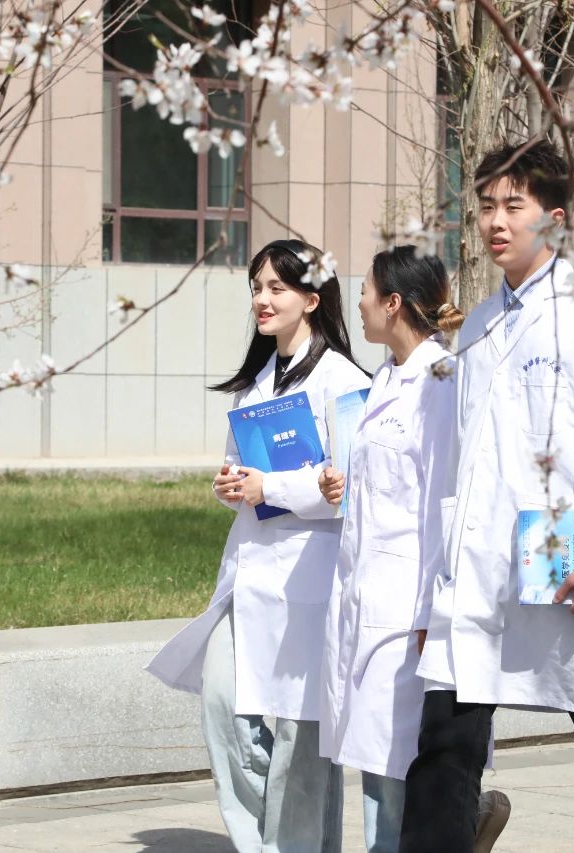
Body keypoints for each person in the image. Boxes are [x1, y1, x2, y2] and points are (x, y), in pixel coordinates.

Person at [402, 141, 574, 852]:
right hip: (479, 573)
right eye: (486, 206)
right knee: (443, 748)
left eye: (514, 206)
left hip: (567, 565)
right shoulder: (479, 325)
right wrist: (437, 590)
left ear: (555, 218)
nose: (496, 221)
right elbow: (462, 465)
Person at [145, 239, 370, 853]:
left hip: (311, 577)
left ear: (312, 300)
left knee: (301, 737)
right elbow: (238, 469)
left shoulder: (346, 382)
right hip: (249, 576)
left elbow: (354, 488)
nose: (261, 300)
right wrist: (230, 485)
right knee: (223, 707)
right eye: (256, 287)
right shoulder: (256, 382)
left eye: (276, 288)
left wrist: (269, 486)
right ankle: (267, 840)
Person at [316, 247, 463, 853]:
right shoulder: (383, 378)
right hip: (365, 591)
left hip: (408, 606)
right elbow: (387, 481)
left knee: (393, 767)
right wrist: (344, 486)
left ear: (394, 303)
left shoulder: (442, 381)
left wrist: (433, 611)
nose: (359, 302)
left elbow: (445, 502)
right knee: (376, 761)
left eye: (366, 291)